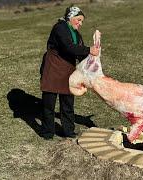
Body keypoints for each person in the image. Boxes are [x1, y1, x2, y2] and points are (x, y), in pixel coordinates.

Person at [39, 6, 99, 139]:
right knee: (49, 103)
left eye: (82, 21)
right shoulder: (60, 28)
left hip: (68, 70)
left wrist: (92, 62)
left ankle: (68, 131)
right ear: (70, 17)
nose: (80, 23)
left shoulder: (76, 34)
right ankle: (48, 132)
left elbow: (79, 52)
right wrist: (89, 50)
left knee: (67, 103)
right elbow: (69, 47)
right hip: (53, 68)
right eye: (78, 20)